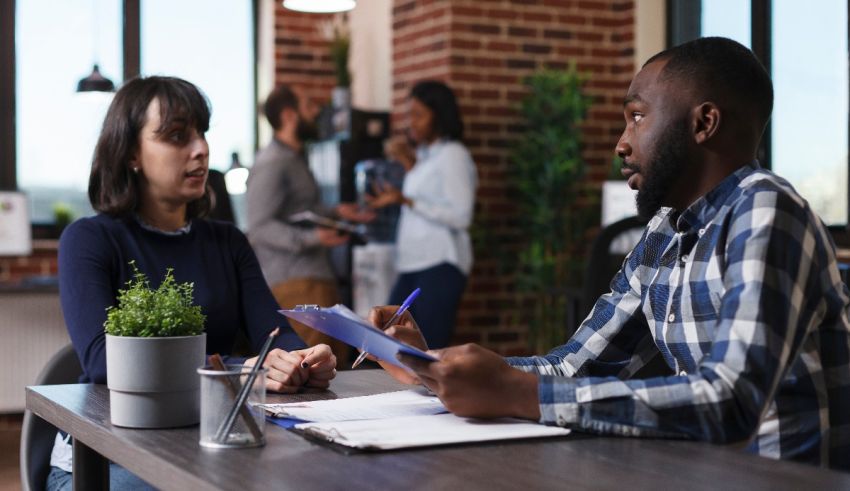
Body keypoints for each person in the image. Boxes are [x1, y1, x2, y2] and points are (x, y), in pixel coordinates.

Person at [369, 37, 850, 471]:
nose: (621, 143)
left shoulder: (765, 208)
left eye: (637, 117)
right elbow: (574, 366)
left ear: (704, 123)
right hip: (705, 475)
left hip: (785, 479)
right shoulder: (666, 229)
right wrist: (433, 366)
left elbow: (732, 403)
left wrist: (517, 392)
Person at [51, 76, 337, 490]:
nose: (200, 148)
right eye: (176, 136)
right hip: (104, 457)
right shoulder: (90, 240)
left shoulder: (228, 242)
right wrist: (247, 371)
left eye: (202, 133)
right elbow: (104, 363)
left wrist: (303, 361)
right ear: (131, 152)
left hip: (205, 446)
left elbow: (276, 336)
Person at [247, 85, 374, 367]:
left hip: (313, 278)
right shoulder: (273, 162)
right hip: (295, 282)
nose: (316, 112)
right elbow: (260, 227)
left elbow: (299, 211)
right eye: (309, 106)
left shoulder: (294, 157)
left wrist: (337, 213)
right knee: (314, 368)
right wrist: (314, 237)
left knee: (333, 364)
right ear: (290, 116)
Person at [367, 80, 477, 349]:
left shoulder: (454, 155)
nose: (410, 123)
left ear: (438, 116)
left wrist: (407, 199)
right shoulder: (427, 157)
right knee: (389, 339)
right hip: (414, 266)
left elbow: (461, 216)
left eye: (418, 115)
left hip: (439, 264)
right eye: (409, 114)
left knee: (424, 352)